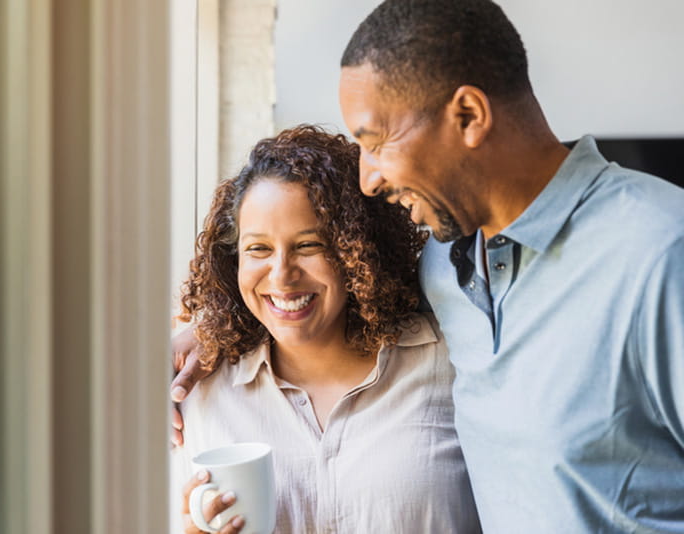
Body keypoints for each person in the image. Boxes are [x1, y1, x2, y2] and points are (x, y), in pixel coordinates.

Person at [173, 1, 684, 532]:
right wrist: (205, 330)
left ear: (468, 116)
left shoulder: (659, 251)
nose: (367, 180)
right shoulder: (446, 268)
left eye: (375, 143)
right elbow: (314, 302)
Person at [171, 125, 481, 533]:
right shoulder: (200, 393)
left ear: (356, 251)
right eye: (258, 249)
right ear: (234, 260)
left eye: (309, 245)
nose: (282, 276)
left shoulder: (451, 363)